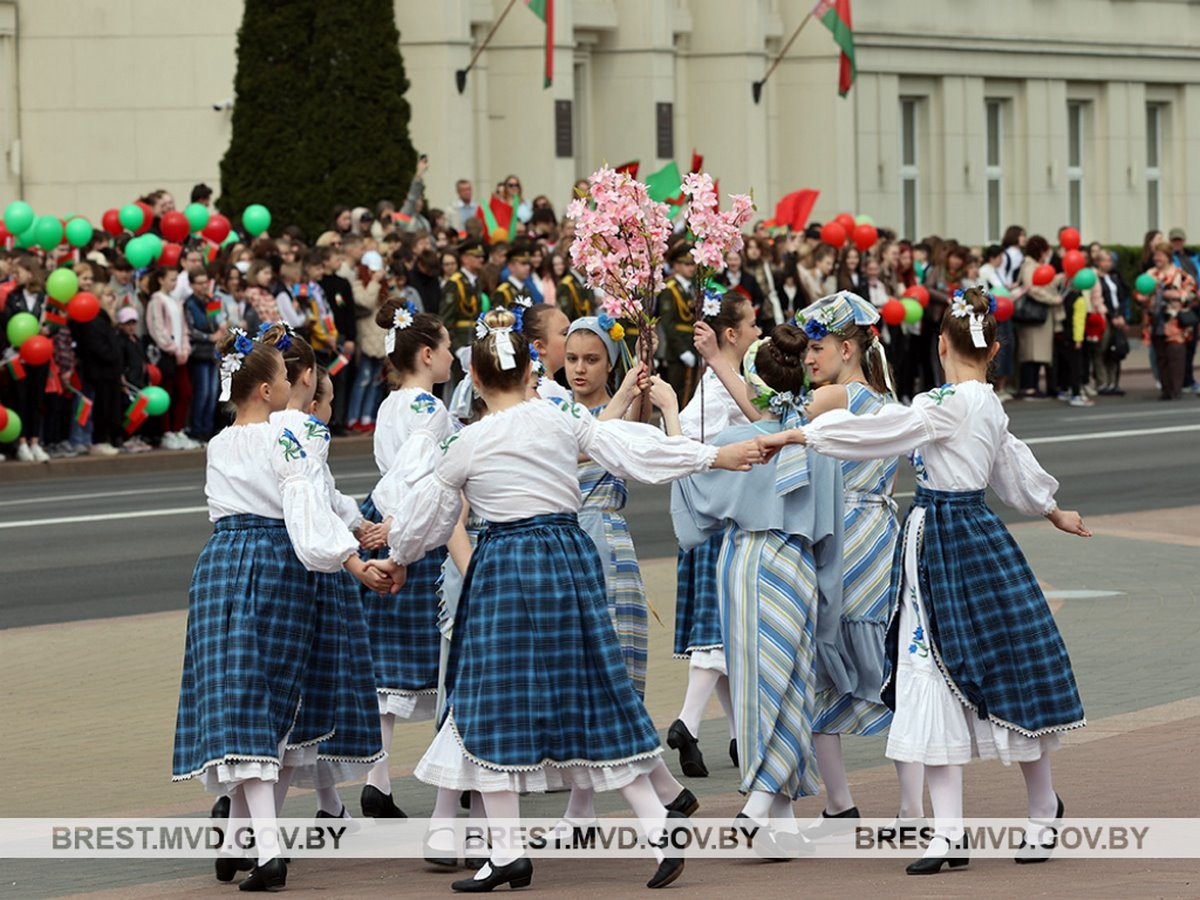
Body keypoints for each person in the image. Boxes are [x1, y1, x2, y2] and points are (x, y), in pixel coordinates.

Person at [377, 308, 763, 891]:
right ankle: (655, 826)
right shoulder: (559, 418)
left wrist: (397, 557)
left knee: (489, 702)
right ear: (529, 372)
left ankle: (508, 850)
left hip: (504, 565)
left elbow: (425, 516)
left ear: (475, 380)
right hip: (567, 555)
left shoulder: (466, 441)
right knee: (594, 690)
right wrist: (713, 456)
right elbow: (633, 450)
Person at [758, 286, 1090, 875]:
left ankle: (987, 823)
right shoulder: (983, 402)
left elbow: (887, 432)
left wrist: (802, 435)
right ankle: (992, 821)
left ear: (940, 345)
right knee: (966, 675)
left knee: (947, 675)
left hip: (947, 539)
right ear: (993, 351)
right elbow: (1010, 462)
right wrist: (1051, 508)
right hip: (957, 540)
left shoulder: (946, 402)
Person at [171, 326, 393, 891]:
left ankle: (239, 841)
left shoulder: (219, 442)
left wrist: (347, 537)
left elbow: (312, 498)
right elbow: (305, 504)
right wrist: (350, 559)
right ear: (269, 390)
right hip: (274, 561)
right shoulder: (286, 434)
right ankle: (265, 851)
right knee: (270, 706)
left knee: (242, 702)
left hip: (221, 563)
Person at [670, 325, 844, 855]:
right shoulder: (816, 444)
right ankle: (767, 813)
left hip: (742, 561)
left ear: (753, 386)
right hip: (794, 564)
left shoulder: (734, 441)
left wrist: (670, 413)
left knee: (759, 688)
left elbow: (692, 501)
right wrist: (829, 602)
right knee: (787, 686)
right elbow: (831, 532)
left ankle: (767, 814)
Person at [358, 299, 460, 836]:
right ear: (426, 354)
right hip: (412, 521)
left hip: (389, 514)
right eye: (446, 348)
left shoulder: (391, 403)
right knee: (442, 653)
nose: (452, 358)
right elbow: (413, 470)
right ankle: (455, 780)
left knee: (387, 658)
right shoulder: (430, 408)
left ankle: (378, 778)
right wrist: (398, 524)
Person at [661, 291, 759, 779]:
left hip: (720, 513)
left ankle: (738, 737)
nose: (759, 331)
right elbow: (688, 444)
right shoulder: (721, 389)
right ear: (732, 334)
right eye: (753, 324)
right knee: (720, 632)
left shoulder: (727, 381)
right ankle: (687, 720)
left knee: (721, 635)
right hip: (722, 516)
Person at [184, 268, 227, 441]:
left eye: (205, 282)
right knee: (202, 392)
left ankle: (208, 430)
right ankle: (197, 429)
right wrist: (209, 337)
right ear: (192, 285)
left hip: (213, 352)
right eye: (199, 283)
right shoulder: (189, 304)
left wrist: (221, 328)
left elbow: (216, 322)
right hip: (199, 352)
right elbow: (190, 329)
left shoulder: (212, 301)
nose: (203, 286)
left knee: (212, 393)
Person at [659, 242, 701, 405]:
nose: (691, 268)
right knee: (676, 395)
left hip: (693, 344)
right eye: (686, 264)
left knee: (690, 394)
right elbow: (668, 324)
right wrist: (682, 351)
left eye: (692, 264)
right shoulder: (670, 288)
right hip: (677, 349)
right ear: (676, 265)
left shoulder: (693, 287)